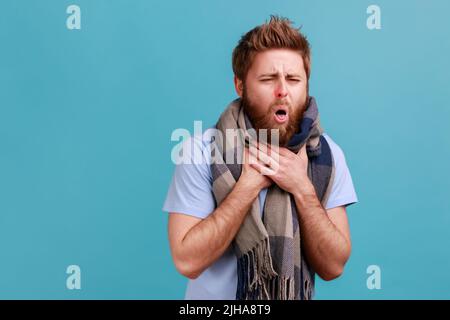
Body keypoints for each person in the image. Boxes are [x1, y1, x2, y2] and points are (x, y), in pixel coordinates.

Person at [163, 16, 358, 300]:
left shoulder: (325, 154)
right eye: (268, 79)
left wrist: (301, 187)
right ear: (240, 85)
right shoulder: (201, 151)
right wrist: (248, 186)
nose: (282, 91)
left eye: (293, 79)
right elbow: (187, 262)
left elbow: (333, 266)